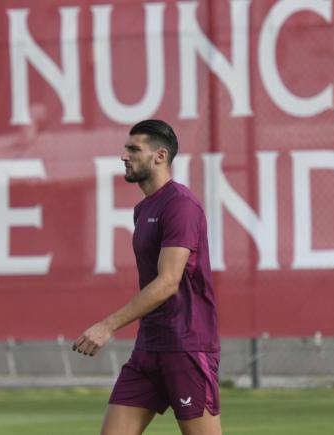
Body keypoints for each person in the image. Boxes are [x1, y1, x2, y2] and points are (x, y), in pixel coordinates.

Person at [73, 119, 222, 435]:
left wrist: (107, 325)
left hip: (185, 347)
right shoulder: (143, 210)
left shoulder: (180, 205)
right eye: (126, 149)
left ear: (160, 156)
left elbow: (168, 282)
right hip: (149, 347)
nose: (124, 156)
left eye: (133, 149)